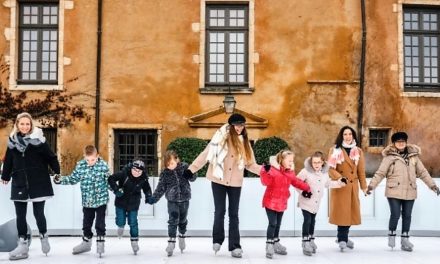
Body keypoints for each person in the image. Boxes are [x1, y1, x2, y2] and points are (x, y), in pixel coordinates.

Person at [184, 113, 261, 258]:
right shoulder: (219, 138)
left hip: (235, 182)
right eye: (237, 125)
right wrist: (191, 169)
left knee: (234, 214)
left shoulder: (245, 142)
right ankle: (217, 240)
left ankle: (235, 246)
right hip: (218, 179)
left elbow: (250, 164)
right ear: (231, 126)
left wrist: (264, 171)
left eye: (242, 125)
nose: (240, 127)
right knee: (219, 211)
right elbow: (206, 154)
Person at [1, 112, 60, 260]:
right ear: (17, 125)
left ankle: (43, 235)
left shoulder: (39, 141)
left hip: (38, 182)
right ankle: (22, 242)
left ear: (31, 125)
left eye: (27, 124)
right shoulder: (12, 142)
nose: (25, 126)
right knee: (20, 215)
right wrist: (5, 176)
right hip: (19, 182)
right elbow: (8, 160)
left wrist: (57, 171)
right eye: (22, 124)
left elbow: (51, 157)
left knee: (38, 213)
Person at [366, 132, 440, 251]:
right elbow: (380, 173)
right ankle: (391, 234)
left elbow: (423, 172)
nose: (400, 144)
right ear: (394, 143)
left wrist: (432, 185)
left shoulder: (413, 157)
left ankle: (405, 239)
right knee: (395, 214)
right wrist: (371, 186)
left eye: (402, 141)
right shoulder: (389, 158)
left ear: (406, 142)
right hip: (393, 190)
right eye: (398, 142)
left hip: (410, 189)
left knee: (407, 215)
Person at [53, 145, 109, 258]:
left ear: (97, 156)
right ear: (84, 157)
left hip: (101, 200)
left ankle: (100, 242)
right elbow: (73, 179)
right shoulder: (81, 166)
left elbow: (109, 181)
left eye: (93, 159)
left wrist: (118, 190)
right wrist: (61, 180)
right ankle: (86, 242)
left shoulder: (103, 166)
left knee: (100, 223)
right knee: (86, 223)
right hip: (87, 200)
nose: (90, 162)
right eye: (88, 160)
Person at [259, 149, 311, 259]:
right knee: (272, 223)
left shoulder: (290, 172)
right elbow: (265, 182)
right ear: (281, 160)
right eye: (289, 160)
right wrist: (265, 171)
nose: (291, 163)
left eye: (292, 161)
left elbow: (296, 182)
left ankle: (276, 242)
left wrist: (306, 188)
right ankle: (269, 245)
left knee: (277, 224)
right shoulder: (272, 170)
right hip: (270, 201)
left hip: (282, 202)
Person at [147, 150, 197, 257]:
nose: (170, 166)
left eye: (172, 163)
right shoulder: (165, 173)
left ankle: (182, 235)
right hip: (172, 200)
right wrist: (154, 198)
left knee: (182, 220)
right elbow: (161, 188)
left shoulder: (184, 167)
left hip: (184, 199)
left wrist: (191, 175)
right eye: (168, 165)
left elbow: (194, 177)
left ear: (177, 160)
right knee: (173, 220)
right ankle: (171, 242)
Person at [296, 151, 346, 256]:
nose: (316, 165)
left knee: (312, 221)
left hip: (315, 203)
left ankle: (311, 239)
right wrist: (303, 192)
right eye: (314, 162)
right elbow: (297, 183)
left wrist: (339, 183)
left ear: (322, 162)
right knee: (307, 220)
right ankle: (305, 242)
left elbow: (328, 183)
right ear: (311, 162)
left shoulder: (324, 173)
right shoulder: (305, 171)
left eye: (318, 162)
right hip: (305, 201)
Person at [327, 125, 367, 251]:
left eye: (350, 134)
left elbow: (361, 171)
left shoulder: (358, 151)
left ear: (353, 136)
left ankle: (342, 237)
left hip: (353, 186)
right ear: (341, 136)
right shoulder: (334, 150)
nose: (348, 136)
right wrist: (340, 178)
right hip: (340, 185)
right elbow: (330, 169)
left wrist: (364, 187)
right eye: (345, 134)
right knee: (342, 213)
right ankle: (343, 239)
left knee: (350, 213)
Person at [107, 159, 152, 255]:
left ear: (142, 172)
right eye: (135, 170)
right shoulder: (124, 173)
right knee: (120, 220)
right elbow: (111, 179)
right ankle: (120, 226)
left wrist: (148, 196)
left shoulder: (143, 179)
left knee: (133, 222)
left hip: (134, 203)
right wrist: (116, 190)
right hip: (121, 201)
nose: (137, 172)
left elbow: (147, 188)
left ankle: (134, 241)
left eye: (139, 171)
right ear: (131, 168)